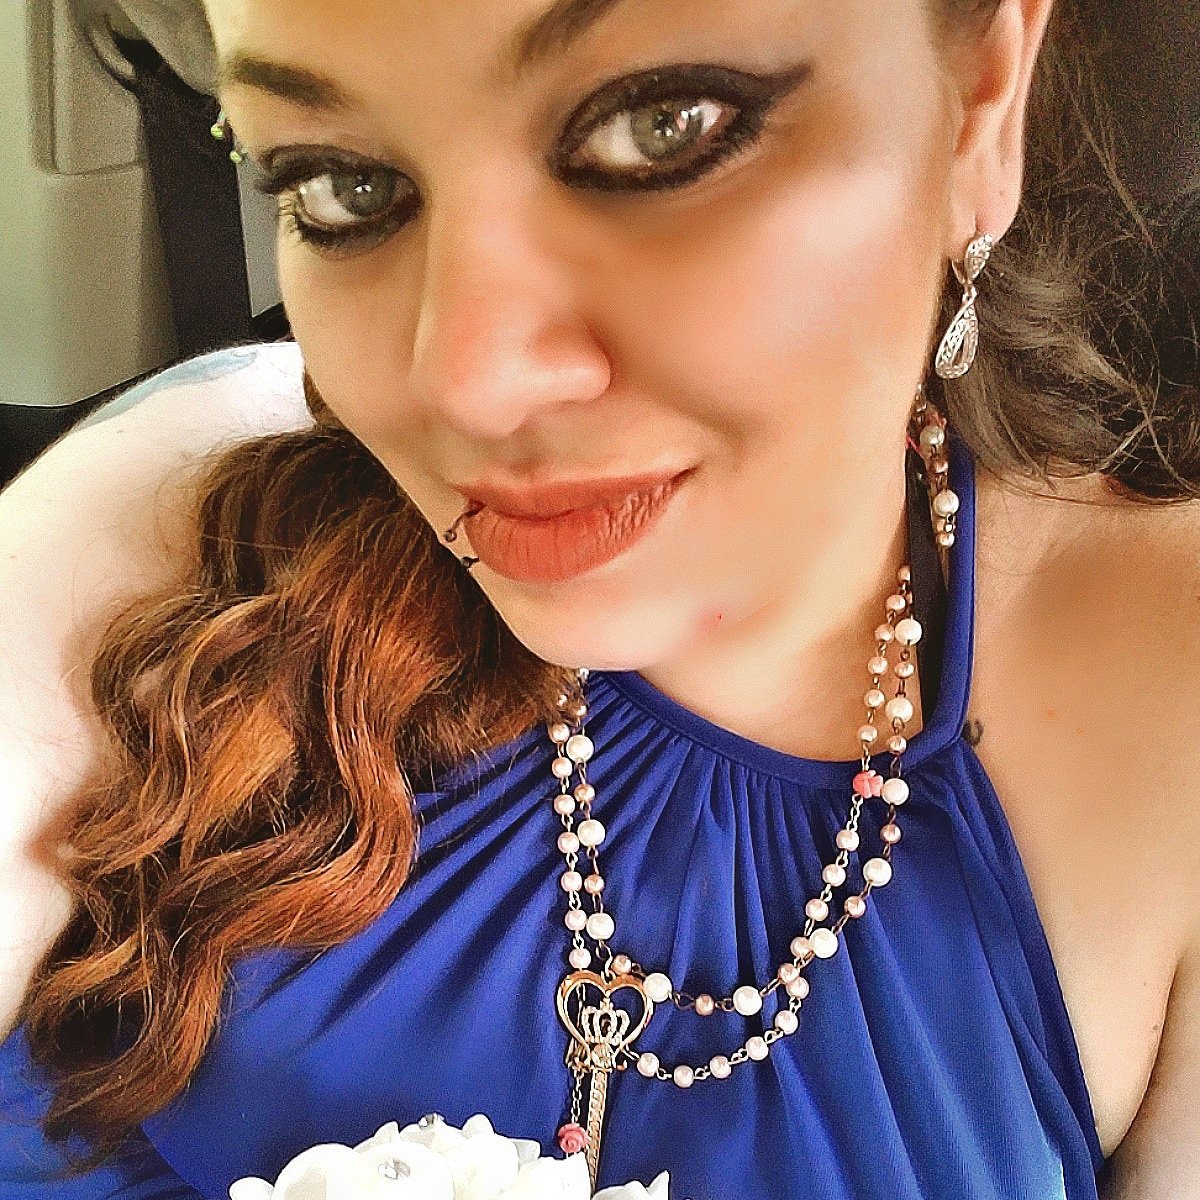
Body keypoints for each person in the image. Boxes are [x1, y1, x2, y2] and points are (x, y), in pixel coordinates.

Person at [2, 0, 1198, 1196]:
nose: (467, 384)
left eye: (660, 128)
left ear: (982, 101)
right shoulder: (185, 526)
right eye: (342, 187)